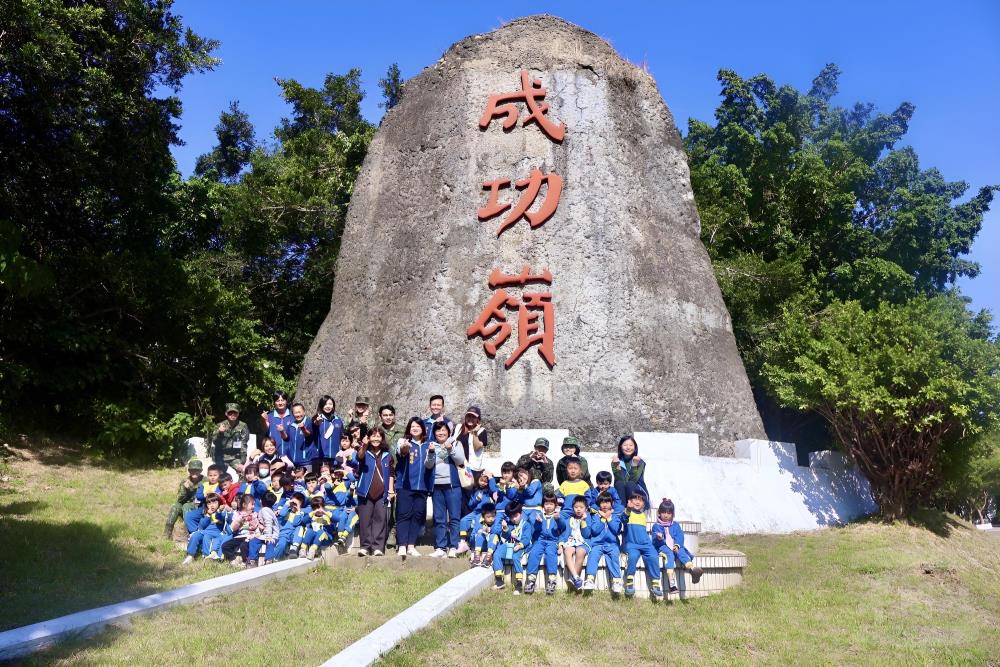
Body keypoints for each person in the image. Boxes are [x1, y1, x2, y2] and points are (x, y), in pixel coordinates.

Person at [394, 417, 435, 557]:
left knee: (417, 516)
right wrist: (405, 447)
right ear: (408, 429)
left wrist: (430, 452)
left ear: (423, 429)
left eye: (418, 426)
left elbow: (429, 465)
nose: (415, 428)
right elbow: (402, 452)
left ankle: (411, 545)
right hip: (405, 486)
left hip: (422, 487)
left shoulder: (428, 444)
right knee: (403, 515)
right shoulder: (403, 441)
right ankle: (402, 545)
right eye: (412, 426)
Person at [353, 427, 395, 556]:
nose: (376, 439)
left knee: (380, 519)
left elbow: (391, 474)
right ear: (369, 438)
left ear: (382, 438)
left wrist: (391, 490)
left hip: (382, 493)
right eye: (373, 436)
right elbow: (359, 458)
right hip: (365, 492)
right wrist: (364, 445)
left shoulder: (388, 455)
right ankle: (365, 546)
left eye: (378, 436)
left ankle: (378, 547)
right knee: (365, 520)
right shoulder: (364, 452)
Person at [429, 420, 465, 558]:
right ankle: (440, 547)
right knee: (439, 518)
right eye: (438, 431)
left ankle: (453, 546)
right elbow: (428, 465)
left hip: (453, 486)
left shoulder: (456, 443)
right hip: (436, 486)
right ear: (434, 433)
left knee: (454, 517)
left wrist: (450, 449)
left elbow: (460, 460)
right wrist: (431, 452)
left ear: (448, 432)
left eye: (443, 430)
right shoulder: (431, 445)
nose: (441, 432)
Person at [651, 498, 703, 592]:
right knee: (669, 556)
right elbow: (655, 541)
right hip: (663, 547)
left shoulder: (675, 525)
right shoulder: (656, 526)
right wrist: (659, 538)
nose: (666, 515)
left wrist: (677, 545)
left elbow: (680, 536)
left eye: (669, 513)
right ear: (659, 513)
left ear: (672, 514)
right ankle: (672, 584)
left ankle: (692, 570)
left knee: (681, 551)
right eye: (664, 512)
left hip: (674, 546)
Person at [621, 491, 663, 599]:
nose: (638, 501)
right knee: (633, 556)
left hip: (645, 543)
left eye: (641, 500)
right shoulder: (627, 513)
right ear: (629, 501)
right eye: (635, 499)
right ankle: (629, 580)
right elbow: (623, 519)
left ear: (644, 503)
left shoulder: (643, 514)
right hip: (632, 544)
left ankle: (656, 582)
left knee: (653, 556)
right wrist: (628, 509)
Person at [581, 492, 624, 594]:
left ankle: (616, 581)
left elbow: (616, 530)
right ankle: (590, 579)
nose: (604, 505)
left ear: (612, 503)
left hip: (612, 544)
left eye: (607, 502)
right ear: (599, 504)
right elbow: (594, 530)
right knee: (593, 556)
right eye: (602, 502)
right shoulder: (595, 516)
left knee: (614, 556)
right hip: (597, 544)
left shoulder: (615, 516)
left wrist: (608, 519)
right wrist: (602, 519)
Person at [524, 493, 566, 595]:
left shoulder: (558, 515)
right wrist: (538, 522)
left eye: (551, 504)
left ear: (555, 505)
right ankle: (531, 580)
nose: (548, 506)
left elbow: (563, 527)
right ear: (543, 505)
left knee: (551, 554)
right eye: (546, 504)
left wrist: (558, 519)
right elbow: (536, 530)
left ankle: (552, 580)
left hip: (553, 541)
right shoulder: (539, 515)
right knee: (534, 553)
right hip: (540, 540)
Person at [490, 501, 531, 594]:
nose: (513, 519)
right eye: (511, 517)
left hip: (521, 546)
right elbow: (506, 536)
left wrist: (520, 545)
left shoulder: (526, 524)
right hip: (510, 545)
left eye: (515, 516)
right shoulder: (510, 524)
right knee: (497, 554)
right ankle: (499, 580)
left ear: (520, 513)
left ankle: (519, 584)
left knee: (515, 557)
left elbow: (527, 538)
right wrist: (505, 528)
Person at [164, 458, 203, 539]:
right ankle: (167, 533)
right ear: (189, 470)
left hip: (199, 507)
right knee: (175, 506)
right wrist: (185, 490)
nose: (194, 472)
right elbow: (179, 499)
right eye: (192, 470)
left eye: (197, 470)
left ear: (201, 470)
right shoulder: (185, 481)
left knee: (186, 506)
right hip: (185, 505)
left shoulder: (205, 481)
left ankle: (189, 534)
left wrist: (192, 489)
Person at [457, 471, 493, 554]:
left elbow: (494, 489)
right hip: (475, 512)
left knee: (478, 525)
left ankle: (475, 545)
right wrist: (476, 499)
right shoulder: (476, 491)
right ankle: (463, 541)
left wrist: (491, 478)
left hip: (485, 513)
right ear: (477, 480)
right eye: (481, 480)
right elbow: (470, 504)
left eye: (485, 482)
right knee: (463, 521)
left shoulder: (489, 492)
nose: (483, 483)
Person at [182, 492, 225, 564]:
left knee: (208, 539)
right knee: (195, 535)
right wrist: (208, 515)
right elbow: (201, 526)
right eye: (209, 503)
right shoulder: (206, 514)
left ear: (219, 503)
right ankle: (190, 555)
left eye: (214, 502)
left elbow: (222, 520)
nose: (212, 505)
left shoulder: (222, 512)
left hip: (215, 534)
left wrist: (219, 511)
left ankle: (208, 556)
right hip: (204, 532)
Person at [454, 406, 488, 495]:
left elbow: (477, 447)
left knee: (470, 497)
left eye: (473, 417)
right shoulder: (458, 428)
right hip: (459, 467)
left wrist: (474, 433)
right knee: (459, 496)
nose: (470, 419)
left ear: (478, 419)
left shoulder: (482, 431)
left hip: (473, 469)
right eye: (469, 416)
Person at [561, 496, 591, 590]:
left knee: (580, 552)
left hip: (582, 542)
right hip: (571, 541)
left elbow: (587, 534)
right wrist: (561, 544)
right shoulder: (570, 519)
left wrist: (583, 521)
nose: (578, 509)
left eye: (581, 507)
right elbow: (564, 534)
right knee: (568, 551)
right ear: (573, 508)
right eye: (576, 507)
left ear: (586, 509)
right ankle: (576, 578)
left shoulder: (588, 518)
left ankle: (574, 579)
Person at [211, 403, 249, 476]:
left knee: (243, 472)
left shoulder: (243, 426)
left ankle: (241, 487)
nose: (232, 415)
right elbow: (215, 441)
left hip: (235, 456)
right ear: (226, 413)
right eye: (230, 413)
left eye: (235, 413)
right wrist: (220, 433)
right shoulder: (220, 425)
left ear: (238, 414)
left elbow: (244, 444)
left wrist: (242, 462)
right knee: (219, 475)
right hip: (221, 456)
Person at [184, 464, 223, 533]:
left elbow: (221, 496)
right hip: (203, 508)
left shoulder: (220, 485)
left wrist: (214, 494)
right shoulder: (203, 485)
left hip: (216, 509)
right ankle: (194, 533)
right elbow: (198, 496)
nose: (212, 477)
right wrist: (205, 495)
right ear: (207, 476)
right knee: (189, 516)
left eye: (215, 475)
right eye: (210, 475)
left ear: (219, 475)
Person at [612, 434, 649, 502]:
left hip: (638, 493)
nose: (628, 447)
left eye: (631, 445)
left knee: (630, 484)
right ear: (620, 447)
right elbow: (619, 479)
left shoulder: (640, 462)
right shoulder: (616, 461)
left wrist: (634, 464)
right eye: (625, 445)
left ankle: (633, 508)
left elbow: (633, 480)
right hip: (622, 494)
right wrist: (616, 465)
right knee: (619, 483)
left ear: (635, 447)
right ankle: (621, 509)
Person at [246, 492, 279, 567]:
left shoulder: (265, 510)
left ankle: (268, 560)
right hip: (264, 535)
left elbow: (268, 523)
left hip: (271, 535)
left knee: (270, 543)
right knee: (253, 541)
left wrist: (268, 536)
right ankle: (252, 559)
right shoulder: (268, 510)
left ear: (261, 501)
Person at [312, 395, 343, 472]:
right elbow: (312, 429)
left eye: (330, 404)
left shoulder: (338, 420)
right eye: (325, 404)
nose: (328, 406)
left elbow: (342, 436)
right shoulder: (316, 419)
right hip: (319, 456)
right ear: (321, 405)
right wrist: (316, 423)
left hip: (335, 457)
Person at [261, 391, 294, 458]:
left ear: (286, 401)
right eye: (278, 401)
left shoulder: (293, 416)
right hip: (273, 455)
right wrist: (263, 420)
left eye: (282, 400)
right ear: (274, 402)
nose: (280, 403)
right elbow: (266, 432)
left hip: (291, 455)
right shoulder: (269, 416)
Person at [299, 496, 333, 560]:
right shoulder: (312, 516)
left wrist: (325, 512)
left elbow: (337, 519)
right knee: (309, 531)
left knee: (321, 532)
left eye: (320, 507)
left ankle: (312, 550)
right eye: (315, 508)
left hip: (326, 538)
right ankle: (303, 549)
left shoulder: (327, 514)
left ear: (323, 506)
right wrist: (313, 512)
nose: (318, 510)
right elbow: (303, 521)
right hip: (314, 538)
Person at [282, 402, 314, 470]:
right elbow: (286, 438)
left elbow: (308, 434)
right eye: (295, 413)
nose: (298, 414)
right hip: (292, 463)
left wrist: (303, 428)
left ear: (304, 412)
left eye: (299, 412)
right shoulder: (291, 424)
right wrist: (281, 431)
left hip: (306, 462)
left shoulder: (309, 422)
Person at [470, 503, 498, 568]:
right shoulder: (478, 520)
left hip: (493, 546)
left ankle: (488, 558)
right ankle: (476, 557)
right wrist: (482, 530)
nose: (491, 519)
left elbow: (499, 531)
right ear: (483, 516)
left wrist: (490, 530)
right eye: (488, 517)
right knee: (480, 534)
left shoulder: (497, 521)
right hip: (481, 545)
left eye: (493, 516)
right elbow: (474, 534)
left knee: (494, 536)